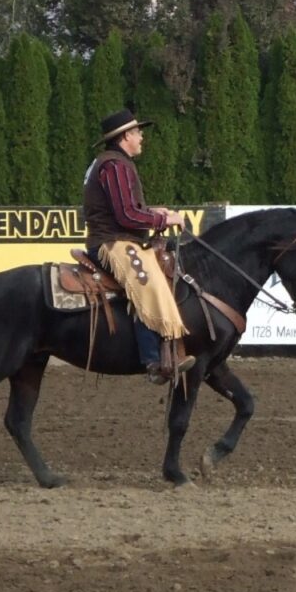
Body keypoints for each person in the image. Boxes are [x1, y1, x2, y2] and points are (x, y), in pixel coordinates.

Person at [82, 108, 195, 385]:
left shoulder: (110, 163)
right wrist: (163, 219)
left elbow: (127, 209)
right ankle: (153, 360)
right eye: (137, 132)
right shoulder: (115, 166)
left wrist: (155, 211)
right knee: (147, 282)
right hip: (112, 243)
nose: (141, 137)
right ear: (125, 137)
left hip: (115, 237)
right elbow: (126, 216)